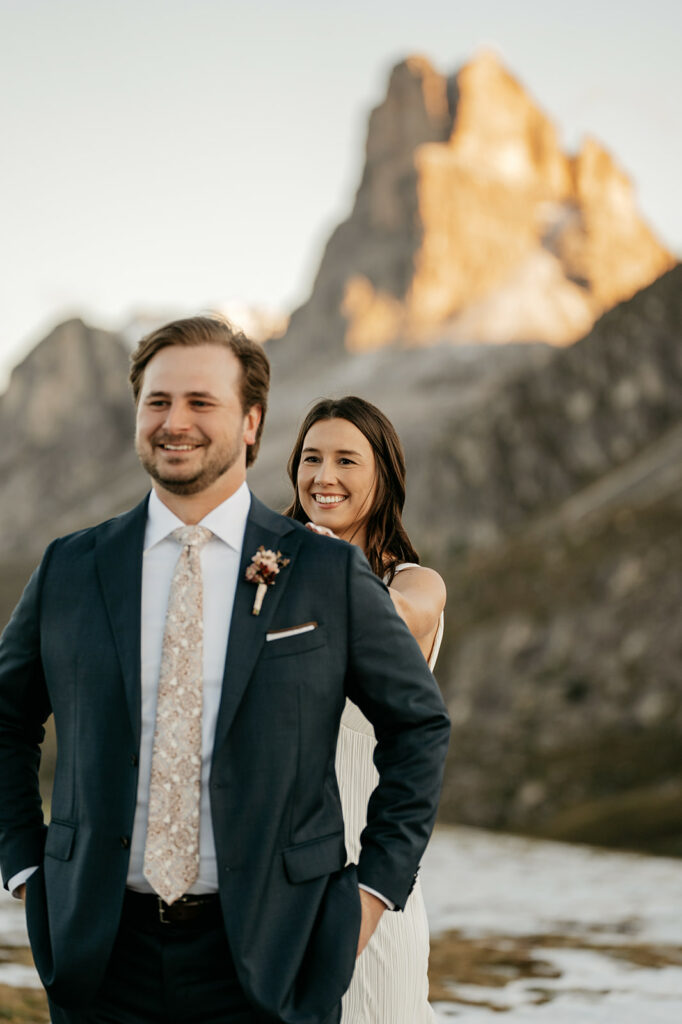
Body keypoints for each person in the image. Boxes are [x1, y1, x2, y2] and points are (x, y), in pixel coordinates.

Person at [0, 317, 450, 1024]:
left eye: (201, 402)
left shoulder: (325, 572)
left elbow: (418, 726)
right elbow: (6, 719)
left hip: (276, 955)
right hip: (98, 958)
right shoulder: (70, 566)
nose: (175, 421)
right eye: (158, 401)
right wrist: (27, 870)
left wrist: (370, 897)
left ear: (251, 421)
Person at [285, 396, 446, 1024]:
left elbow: (397, 619)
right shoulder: (269, 570)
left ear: (383, 478)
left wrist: (326, 566)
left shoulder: (416, 584)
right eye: (310, 458)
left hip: (370, 881)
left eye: (346, 460)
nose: (324, 476)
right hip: (270, 884)